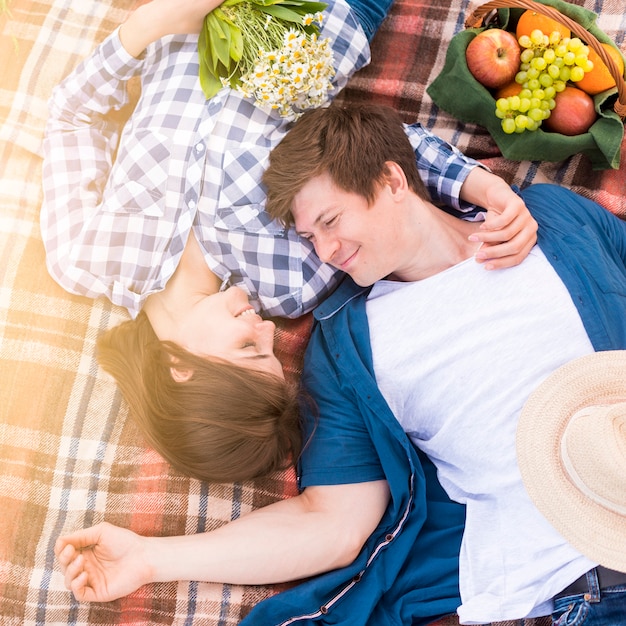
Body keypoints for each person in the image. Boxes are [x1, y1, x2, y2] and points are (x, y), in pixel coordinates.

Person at [40, 0, 537, 484]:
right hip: (328, 14)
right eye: (273, 353)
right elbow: (374, 154)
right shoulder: (295, 277)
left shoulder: (85, 256)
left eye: (247, 348)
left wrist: (154, 21)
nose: (268, 333)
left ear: (179, 369)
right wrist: (487, 190)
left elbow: (70, 117)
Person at [259, 102, 626, 624]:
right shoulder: (346, 345)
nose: (326, 250)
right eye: (310, 237)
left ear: (390, 180)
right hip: (595, 585)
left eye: (331, 220)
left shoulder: (552, 216)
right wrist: (149, 558)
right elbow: (333, 523)